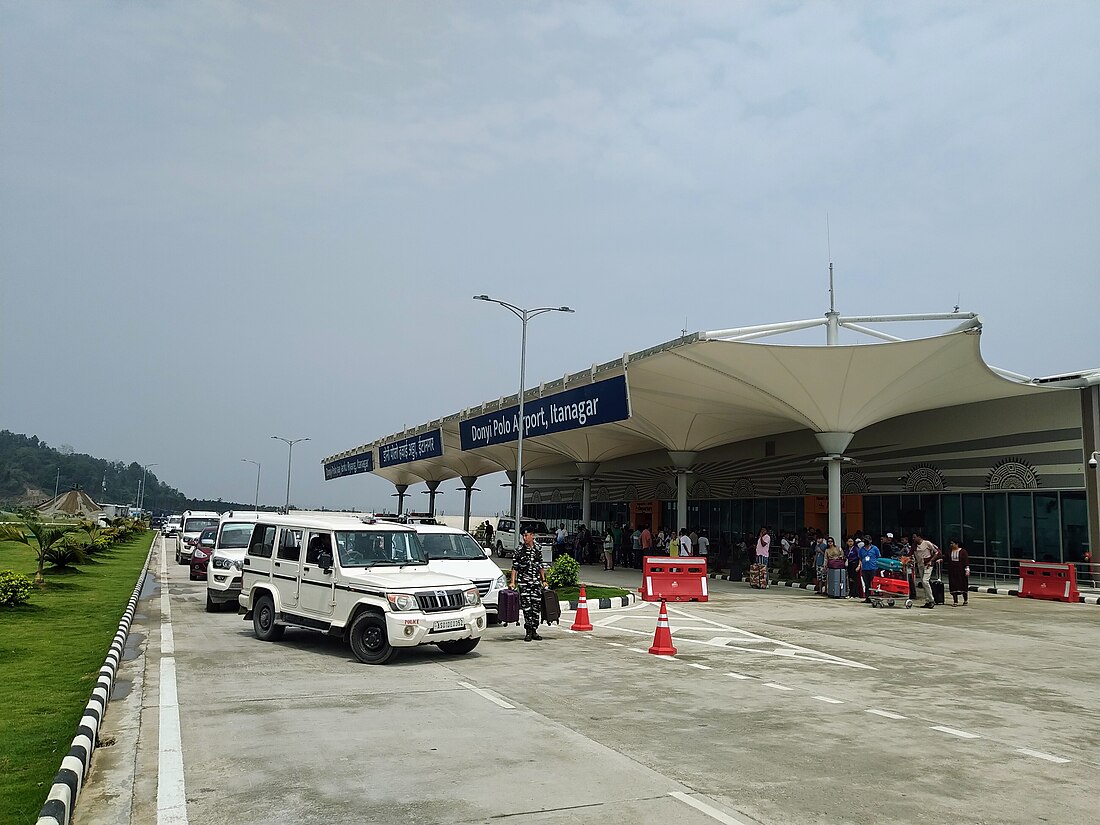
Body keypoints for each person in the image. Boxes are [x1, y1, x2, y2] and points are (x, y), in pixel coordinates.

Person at [510, 528, 548, 641]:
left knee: (536, 608)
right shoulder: (519, 550)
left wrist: (543, 580)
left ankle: (535, 630)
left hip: (536, 583)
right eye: (523, 536)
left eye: (527, 535)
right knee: (527, 608)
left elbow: (541, 566)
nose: (525, 538)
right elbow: (514, 567)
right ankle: (528, 631)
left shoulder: (538, 549)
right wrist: (512, 582)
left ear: (532, 536)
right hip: (524, 583)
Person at [912, 530, 941, 609]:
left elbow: (937, 552)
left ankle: (932, 600)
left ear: (919, 537)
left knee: (925, 581)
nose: (913, 538)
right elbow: (910, 553)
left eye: (915, 537)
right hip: (920, 565)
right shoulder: (914, 545)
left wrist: (931, 561)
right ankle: (927, 600)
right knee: (924, 583)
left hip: (928, 565)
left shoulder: (927, 543)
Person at [945, 538, 970, 606]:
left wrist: (967, 569)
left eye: (952, 543)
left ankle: (965, 600)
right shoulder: (949, 551)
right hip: (952, 570)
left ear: (957, 544)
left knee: (963, 584)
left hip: (961, 570)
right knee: (953, 584)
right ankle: (955, 601)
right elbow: (946, 559)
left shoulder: (963, 551)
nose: (951, 545)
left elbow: (966, 561)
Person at [859, 537, 880, 603]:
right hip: (865, 569)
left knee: (874, 583)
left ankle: (876, 598)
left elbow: (878, 556)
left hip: (873, 568)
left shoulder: (875, 548)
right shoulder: (861, 549)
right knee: (867, 584)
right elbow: (860, 558)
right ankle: (867, 598)